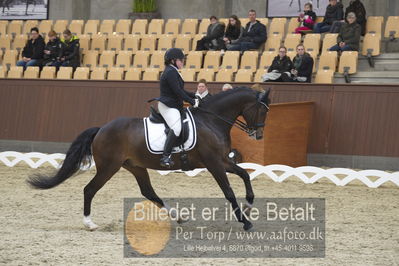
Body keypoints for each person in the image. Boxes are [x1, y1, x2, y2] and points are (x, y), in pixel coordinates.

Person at [158, 48, 199, 167]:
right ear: (173, 60)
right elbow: (177, 92)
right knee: (176, 128)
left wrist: (194, 95)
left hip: (173, 105)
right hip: (168, 105)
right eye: (181, 60)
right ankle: (165, 157)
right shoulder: (170, 72)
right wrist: (191, 101)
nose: (183, 62)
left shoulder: (173, 70)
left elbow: (181, 90)